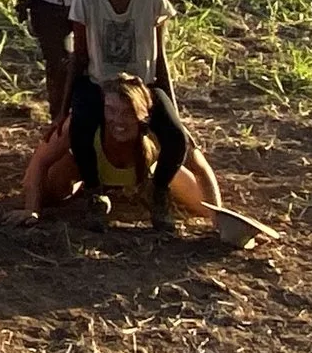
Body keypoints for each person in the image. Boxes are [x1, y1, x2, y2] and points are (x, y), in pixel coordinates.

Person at [18, 75, 250, 241]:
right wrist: (32, 209)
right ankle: (93, 196)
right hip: (91, 171)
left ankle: (151, 195)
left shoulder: (161, 133)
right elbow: (39, 162)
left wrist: (220, 221)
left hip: (145, 172)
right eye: (112, 111)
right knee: (53, 184)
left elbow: (202, 169)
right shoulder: (83, 127)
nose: (119, 121)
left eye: (128, 113)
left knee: (201, 205)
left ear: (144, 114)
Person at [65, 0, 189, 227]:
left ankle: (157, 192)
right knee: (80, 129)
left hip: (140, 88)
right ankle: (95, 192)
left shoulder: (153, 0)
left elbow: (159, 58)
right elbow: (79, 55)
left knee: (177, 138)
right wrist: (61, 109)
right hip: (99, 84)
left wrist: (171, 106)